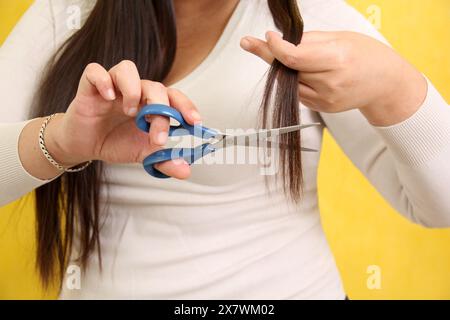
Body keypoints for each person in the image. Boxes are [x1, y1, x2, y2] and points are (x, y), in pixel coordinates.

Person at [0, 0, 449, 299]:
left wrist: (394, 85)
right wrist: (60, 141)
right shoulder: (68, 12)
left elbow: (442, 206)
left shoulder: (313, 16)